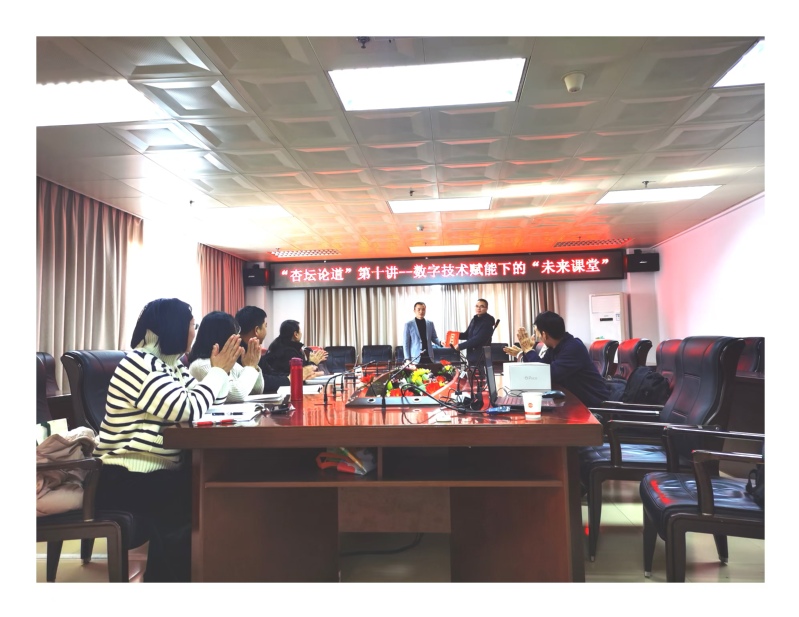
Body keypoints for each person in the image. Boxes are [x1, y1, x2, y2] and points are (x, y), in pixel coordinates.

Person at [93, 298, 242, 582]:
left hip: (154, 473)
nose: (195, 332)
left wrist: (220, 373)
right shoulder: (139, 364)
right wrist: (218, 372)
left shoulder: (171, 366)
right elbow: (188, 408)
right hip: (126, 476)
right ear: (174, 327)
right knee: (200, 497)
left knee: (210, 490)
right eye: (192, 325)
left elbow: (211, 401)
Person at [505, 310, 611, 407]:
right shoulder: (555, 347)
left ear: (544, 334)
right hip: (573, 401)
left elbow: (546, 374)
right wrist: (524, 352)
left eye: (537, 332)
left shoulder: (573, 347)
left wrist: (528, 351)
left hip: (592, 405)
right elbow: (541, 368)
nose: (537, 337)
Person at [235, 305, 321, 391]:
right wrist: (291, 378)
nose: (266, 329)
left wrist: (296, 376)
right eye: (265, 326)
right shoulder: (238, 352)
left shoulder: (253, 349)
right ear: (257, 330)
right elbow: (260, 382)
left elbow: (270, 373)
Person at [187, 311, 264, 402]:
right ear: (224, 337)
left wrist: (253, 366)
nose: (239, 338)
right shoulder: (201, 365)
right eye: (235, 333)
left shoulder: (230, 363)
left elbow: (256, 390)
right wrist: (250, 368)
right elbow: (237, 395)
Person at [263, 319, 328, 375]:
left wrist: (310, 361)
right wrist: (313, 362)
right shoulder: (289, 352)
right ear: (296, 334)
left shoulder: (277, 347)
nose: (301, 333)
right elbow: (301, 374)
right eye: (300, 331)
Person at [454, 298, 496, 365]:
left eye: (482, 306)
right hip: (471, 355)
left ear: (486, 308)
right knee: (470, 371)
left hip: (482, 356)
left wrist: (460, 346)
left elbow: (478, 339)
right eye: (477, 306)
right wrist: (454, 335)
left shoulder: (487, 322)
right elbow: (467, 335)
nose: (478, 308)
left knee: (480, 372)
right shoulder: (474, 320)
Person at [402, 301, 441, 366]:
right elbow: (406, 343)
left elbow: (434, 338)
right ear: (414, 311)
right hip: (415, 358)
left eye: (423, 309)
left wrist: (440, 342)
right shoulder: (408, 324)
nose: (421, 311)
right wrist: (407, 358)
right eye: (419, 309)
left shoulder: (430, 323)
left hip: (429, 356)